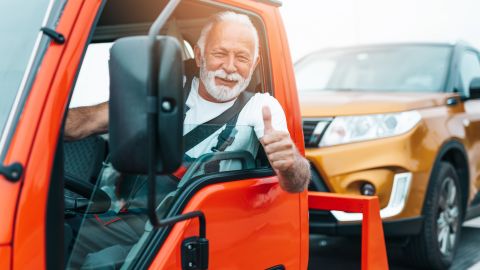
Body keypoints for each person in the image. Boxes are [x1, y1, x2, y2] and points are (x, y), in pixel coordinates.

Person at [65, 11, 311, 268]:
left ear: (255, 62)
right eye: (220, 53)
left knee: (97, 262)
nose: (229, 67)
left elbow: (296, 183)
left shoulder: (262, 107)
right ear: (200, 54)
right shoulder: (167, 90)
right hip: (137, 214)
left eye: (241, 57)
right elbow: (87, 121)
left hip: (193, 226)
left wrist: (290, 161)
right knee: (62, 235)